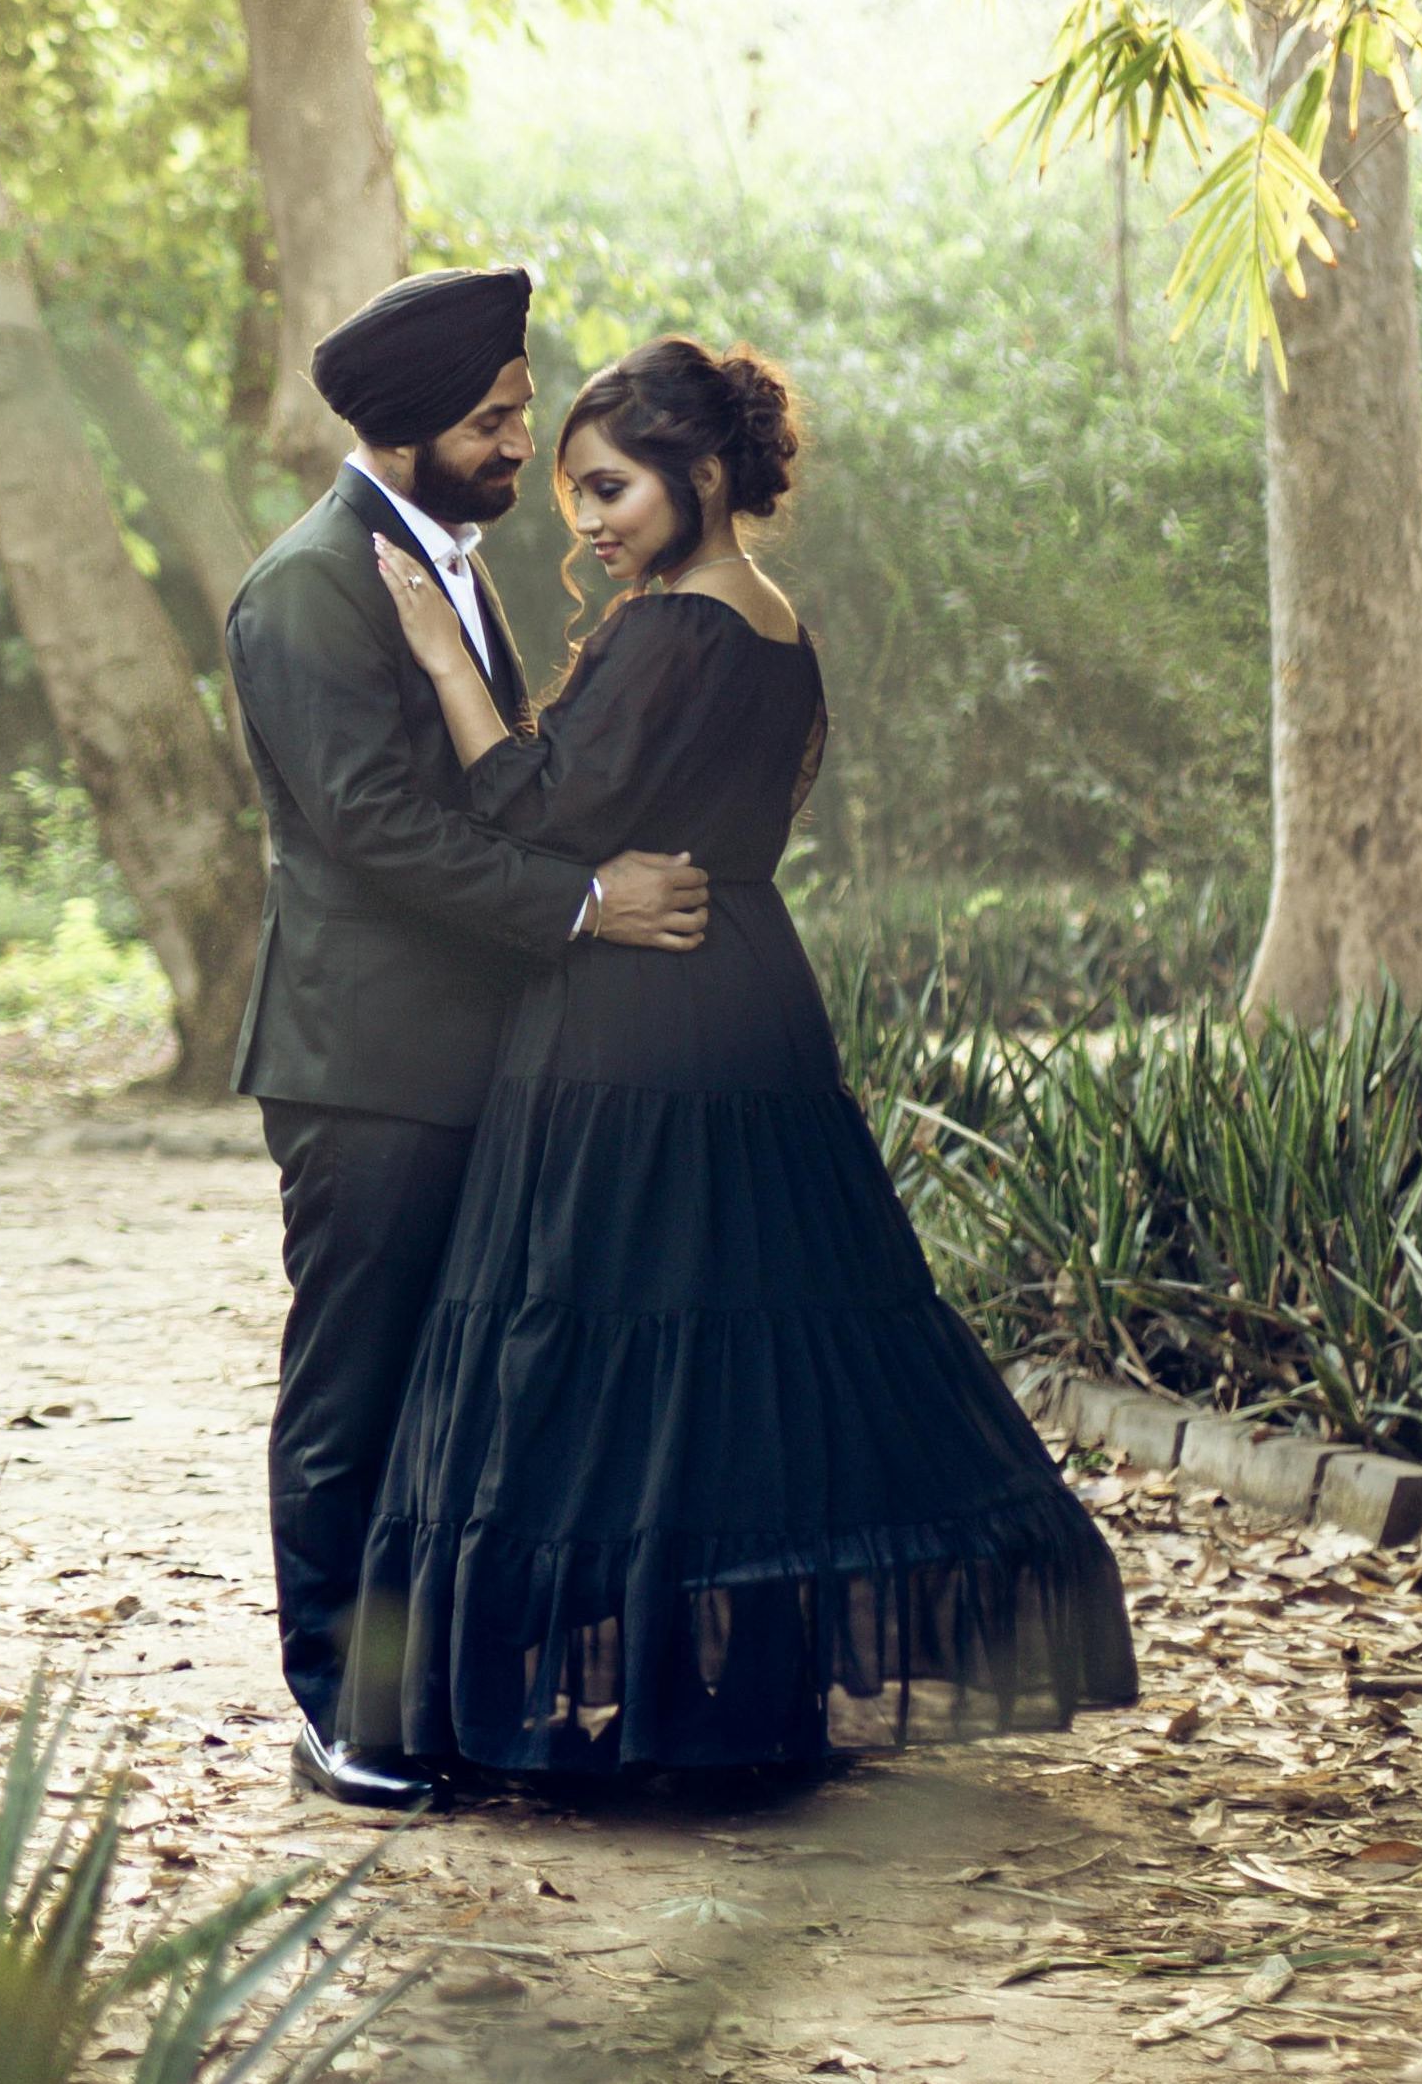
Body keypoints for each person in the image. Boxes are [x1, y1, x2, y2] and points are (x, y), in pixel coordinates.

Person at [342, 337, 1132, 1784]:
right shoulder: (775, 625)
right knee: (736, 1330)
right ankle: (733, 1680)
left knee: (617, 1321)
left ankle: (652, 1695)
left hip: (641, 1014)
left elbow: (529, 804)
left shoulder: (673, 633)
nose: (585, 519)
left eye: (613, 488)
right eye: (577, 490)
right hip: (752, 992)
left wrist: (448, 656)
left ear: (701, 475)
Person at [222, 266, 713, 1813]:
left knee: (456, 1393)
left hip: (470, 1056)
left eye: (516, 410)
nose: (523, 443)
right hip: (365, 1070)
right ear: (419, 425)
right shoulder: (310, 584)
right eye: (498, 419)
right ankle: (335, 1708)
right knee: (355, 1389)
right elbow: (375, 828)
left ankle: (436, 1690)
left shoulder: (448, 562)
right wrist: (587, 905)